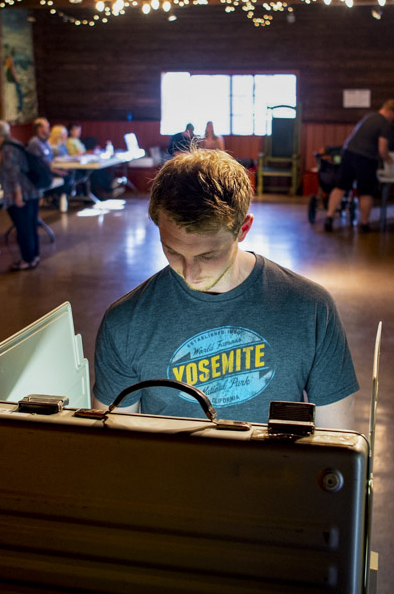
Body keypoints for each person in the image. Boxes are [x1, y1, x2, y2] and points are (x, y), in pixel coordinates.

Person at [92, 149, 359, 429]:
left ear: (243, 229)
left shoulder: (312, 308)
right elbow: (117, 446)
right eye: (172, 251)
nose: (189, 273)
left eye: (207, 256)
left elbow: (336, 438)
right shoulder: (125, 322)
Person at [324, 99, 394, 233]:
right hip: (365, 158)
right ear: (391, 112)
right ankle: (364, 223)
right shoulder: (384, 124)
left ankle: (329, 216)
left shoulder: (369, 116)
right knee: (366, 192)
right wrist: (390, 161)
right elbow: (382, 149)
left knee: (341, 187)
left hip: (348, 152)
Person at [0, 120, 41, 271]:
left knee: (23, 228)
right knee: (31, 226)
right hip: (31, 191)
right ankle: (34, 257)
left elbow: (14, 173)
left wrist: (17, 195)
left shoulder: (7, 149)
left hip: (21, 194)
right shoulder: (15, 143)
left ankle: (27, 260)